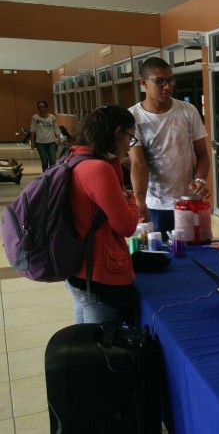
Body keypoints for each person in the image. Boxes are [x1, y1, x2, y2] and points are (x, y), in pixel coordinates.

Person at [65, 106, 140, 324]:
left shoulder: (74, 158)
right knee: (101, 350)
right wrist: (132, 199)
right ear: (118, 133)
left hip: (78, 269)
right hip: (97, 274)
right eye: (130, 137)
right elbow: (126, 226)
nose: (129, 146)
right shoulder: (98, 168)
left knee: (84, 343)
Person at [128, 57, 210, 235]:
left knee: (194, 250)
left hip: (189, 201)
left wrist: (200, 180)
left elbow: (203, 154)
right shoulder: (133, 117)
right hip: (156, 204)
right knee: (162, 255)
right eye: (160, 81)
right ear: (143, 83)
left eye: (170, 80)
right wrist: (139, 200)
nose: (167, 86)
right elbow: (138, 164)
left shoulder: (188, 111)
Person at [30, 100, 61, 171]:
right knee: (44, 162)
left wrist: (59, 138)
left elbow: (56, 128)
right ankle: (45, 177)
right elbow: (32, 130)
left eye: (43, 107)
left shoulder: (52, 117)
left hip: (51, 142)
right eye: (40, 107)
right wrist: (32, 142)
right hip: (40, 143)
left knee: (52, 161)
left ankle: (53, 175)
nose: (41, 108)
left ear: (46, 107)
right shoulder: (35, 118)